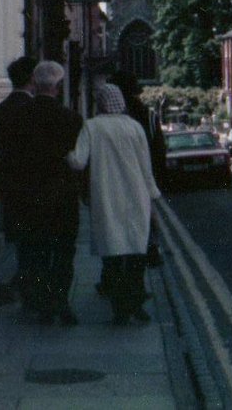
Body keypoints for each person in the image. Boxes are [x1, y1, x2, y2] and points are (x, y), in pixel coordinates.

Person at [68, 84, 162, 325]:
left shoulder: (92, 126)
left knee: (112, 254)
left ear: (100, 103)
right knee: (135, 253)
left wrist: (63, 151)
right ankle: (136, 302)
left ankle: (121, 307)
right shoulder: (135, 127)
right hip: (136, 195)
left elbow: (78, 161)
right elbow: (145, 166)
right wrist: (152, 197)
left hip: (107, 197)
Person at [25, 61, 84, 325]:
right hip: (63, 195)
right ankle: (60, 300)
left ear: (36, 84)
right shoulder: (72, 119)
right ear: (58, 87)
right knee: (63, 250)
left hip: (30, 193)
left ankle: (41, 303)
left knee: (37, 249)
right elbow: (77, 161)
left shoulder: (21, 116)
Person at [0, 55, 37, 309]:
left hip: (9, 187)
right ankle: (29, 285)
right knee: (35, 237)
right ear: (32, 79)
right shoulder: (35, 111)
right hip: (35, 187)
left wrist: (8, 173)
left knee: (18, 238)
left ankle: (24, 281)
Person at [111, 69, 164, 266]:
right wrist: (156, 182)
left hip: (115, 181)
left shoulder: (108, 121)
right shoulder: (148, 117)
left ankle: (111, 276)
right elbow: (159, 152)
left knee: (116, 227)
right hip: (143, 179)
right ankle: (142, 266)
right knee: (142, 224)